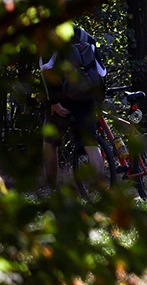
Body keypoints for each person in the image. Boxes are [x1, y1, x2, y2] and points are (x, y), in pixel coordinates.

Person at [40, 25, 108, 190]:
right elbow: (102, 72)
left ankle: (52, 190)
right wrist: (97, 101)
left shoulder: (50, 38)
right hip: (86, 99)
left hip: (61, 101)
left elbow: (45, 70)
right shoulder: (86, 37)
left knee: (50, 144)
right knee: (91, 145)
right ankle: (102, 191)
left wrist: (53, 102)